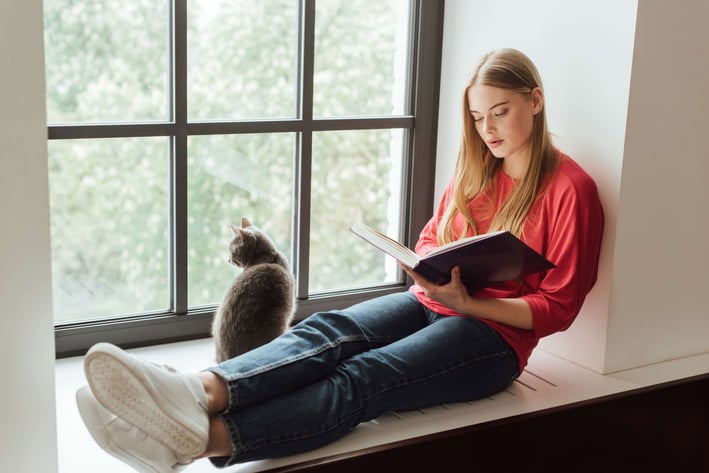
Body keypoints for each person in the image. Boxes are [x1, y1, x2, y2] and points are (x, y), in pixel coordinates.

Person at [76, 48, 604, 472]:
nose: (487, 128)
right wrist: (423, 264)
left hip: (494, 341)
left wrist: (468, 301)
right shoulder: (476, 171)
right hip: (432, 302)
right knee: (329, 330)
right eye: (476, 116)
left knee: (363, 376)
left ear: (535, 101)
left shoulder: (571, 189)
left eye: (500, 112)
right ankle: (195, 391)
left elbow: (557, 307)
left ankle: (198, 439)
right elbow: (433, 236)